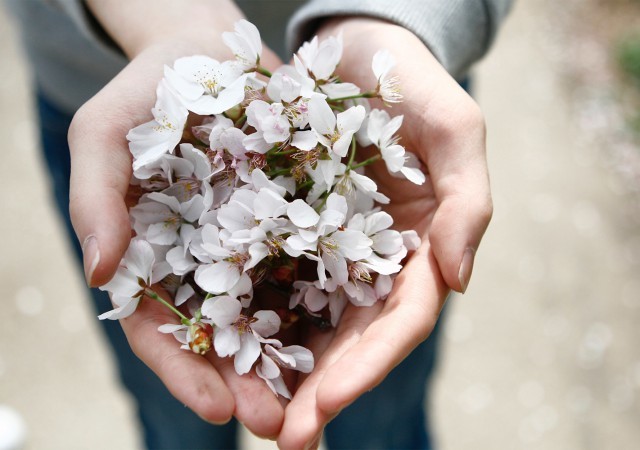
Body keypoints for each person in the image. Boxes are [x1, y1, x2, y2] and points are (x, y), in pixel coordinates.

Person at [6, 0, 512, 448]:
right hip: (96, 81)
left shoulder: (353, 135)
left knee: (381, 422)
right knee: (178, 423)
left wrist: (404, 20)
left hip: (390, 50)